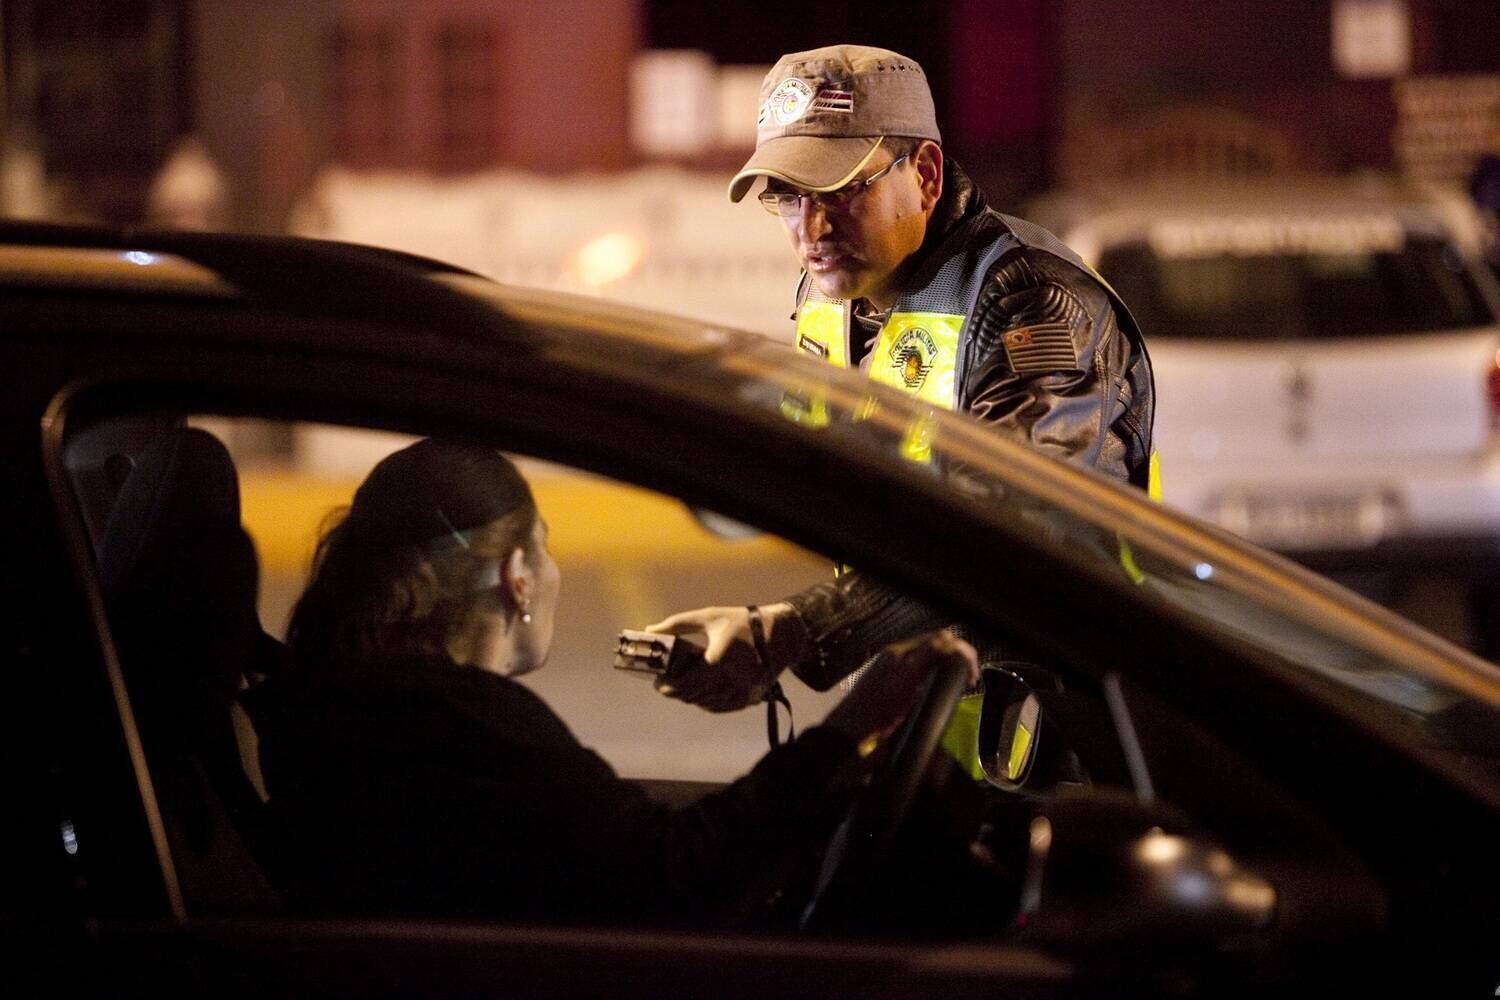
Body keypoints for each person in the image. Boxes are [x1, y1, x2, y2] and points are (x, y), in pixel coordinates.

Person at [249, 438, 976, 924]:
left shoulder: (354, 706)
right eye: (545, 548)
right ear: (517, 576)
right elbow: (671, 880)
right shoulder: (463, 726)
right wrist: (846, 732)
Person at [648, 44, 1155, 712]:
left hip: (1050, 719)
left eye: (842, 191)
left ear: (925, 174)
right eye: (788, 197)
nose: (812, 229)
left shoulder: (1031, 303)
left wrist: (799, 629)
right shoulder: (831, 295)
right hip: (917, 701)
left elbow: (1010, 524)